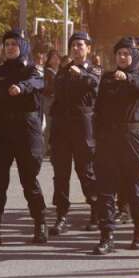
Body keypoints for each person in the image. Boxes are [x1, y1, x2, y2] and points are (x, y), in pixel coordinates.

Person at [0, 29, 48, 247]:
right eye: (6, 44)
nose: (9, 48)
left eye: (14, 44)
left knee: (29, 180)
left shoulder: (32, 70)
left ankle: (40, 223)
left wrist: (21, 87)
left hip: (26, 130)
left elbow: (37, 84)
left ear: (23, 47)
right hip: (2, 132)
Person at [91, 36, 139, 254]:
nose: (123, 57)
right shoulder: (107, 78)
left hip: (131, 137)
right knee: (105, 190)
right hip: (108, 138)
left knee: (134, 188)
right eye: (119, 54)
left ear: (133, 56)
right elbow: (99, 108)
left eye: (126, 54)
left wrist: (126, 78)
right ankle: (106, 236)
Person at [48, 32, 99, 237]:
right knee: (60, 174)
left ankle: (96, 211)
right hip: (62, 128)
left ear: (88, 49)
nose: (77, 49)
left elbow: (95, 85)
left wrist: (81, 74)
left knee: (85, 171)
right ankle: (61, 215)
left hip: (83, 126)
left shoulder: (94, 70)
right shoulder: (64, 71)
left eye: (80, 45)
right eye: (74, 46)